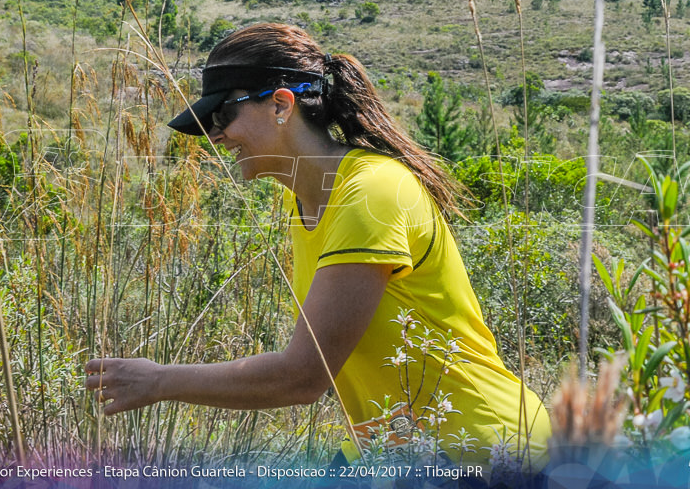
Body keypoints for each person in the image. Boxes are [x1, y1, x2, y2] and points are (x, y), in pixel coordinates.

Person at [85, 23, 550, 466]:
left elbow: (304, 376)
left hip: (485, 448)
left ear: (281, 105)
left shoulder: (370, 194)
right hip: (400, 449)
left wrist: (159, 380)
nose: (216, 135)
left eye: (223, 114)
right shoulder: (305, 203)